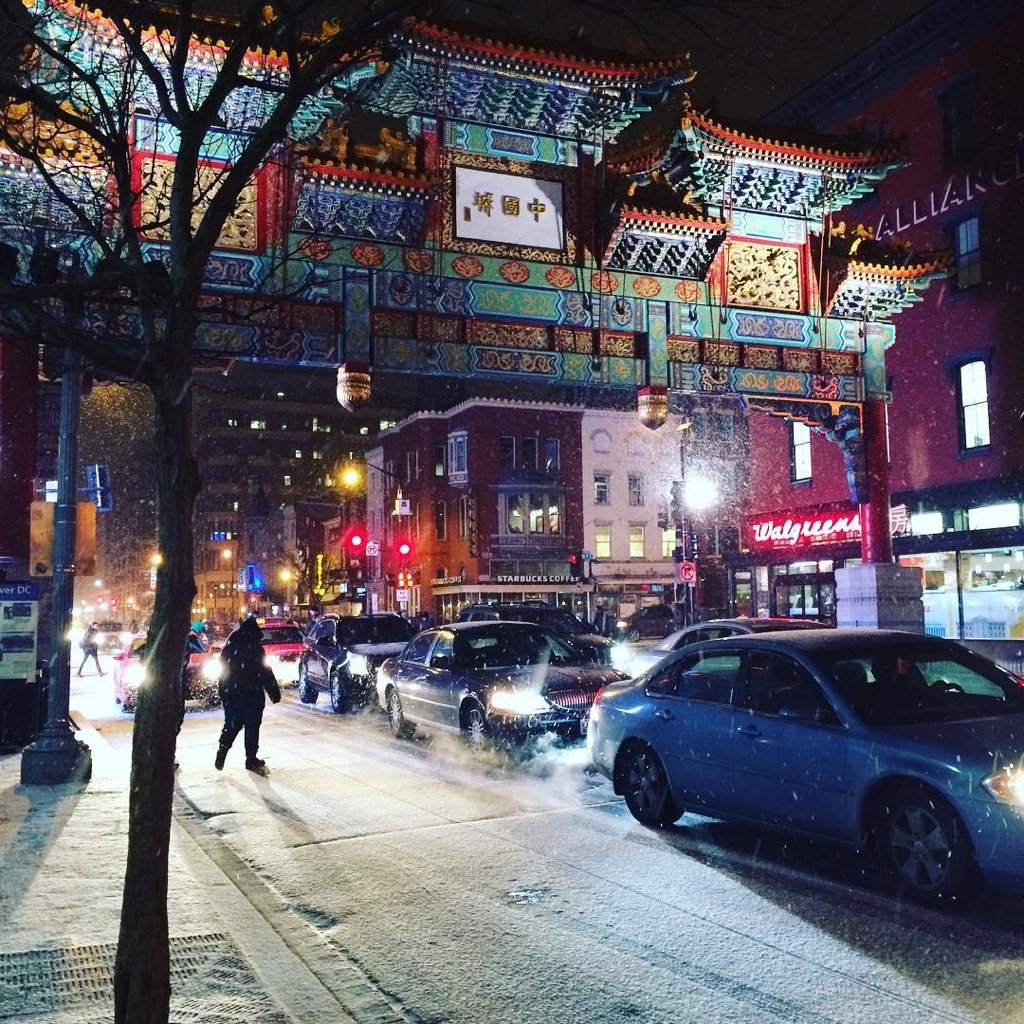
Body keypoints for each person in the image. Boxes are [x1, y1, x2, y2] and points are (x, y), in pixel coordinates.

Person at [214, 617, 281, 775]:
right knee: (252, 726)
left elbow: (223, 673)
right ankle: (251, 758)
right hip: (252, 693)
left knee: (233, 723)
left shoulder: (230, 648)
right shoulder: (255, 649)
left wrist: (224, 692)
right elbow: (265, 672)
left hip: (234, 693)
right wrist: (273, 692)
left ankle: (223, 749)